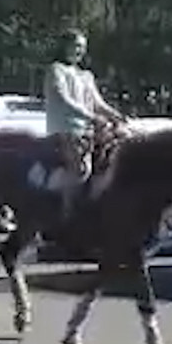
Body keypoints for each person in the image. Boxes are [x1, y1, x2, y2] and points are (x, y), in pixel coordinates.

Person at [43, 29, 124, 222]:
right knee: (81, 170)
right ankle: (66, 214)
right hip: (66, 129)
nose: (80, 50)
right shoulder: (55, 70)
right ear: (64, 46)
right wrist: (91, 117)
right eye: (76, 46)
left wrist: (115, 115)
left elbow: (98, 103)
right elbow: (63, 100)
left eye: (83, 47)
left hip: (88, 130)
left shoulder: (86, 75)